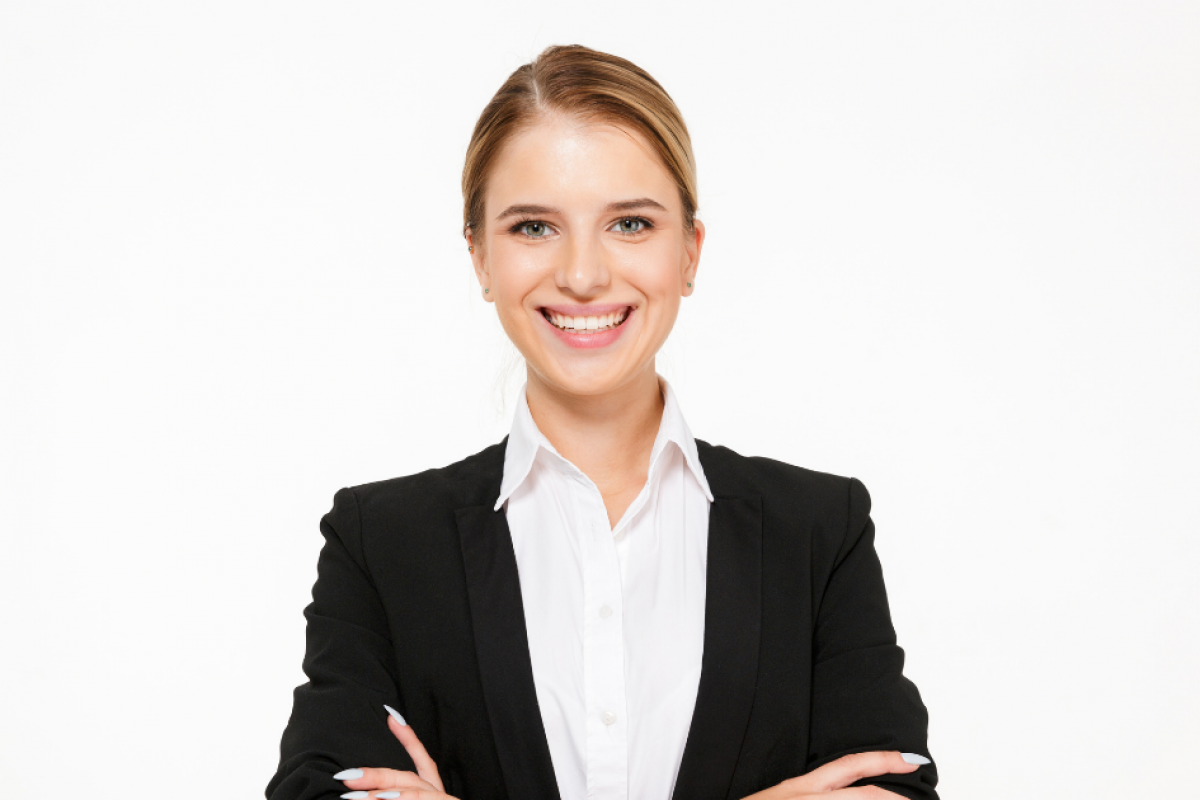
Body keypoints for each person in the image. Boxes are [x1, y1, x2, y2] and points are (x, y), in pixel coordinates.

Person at [266, 44, 938, 800]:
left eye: (629, 222)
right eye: (532, 228)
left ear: (689, 251)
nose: (583, 275)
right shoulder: (379, 543)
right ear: (480, 258)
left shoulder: (820, 533)